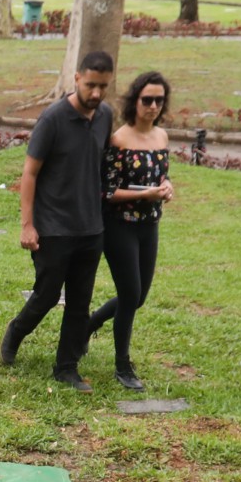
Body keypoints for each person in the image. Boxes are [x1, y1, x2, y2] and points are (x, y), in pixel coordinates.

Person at [0, 50, 115, 394]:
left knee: (80, 302)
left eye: (103, 86)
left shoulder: (106, 116)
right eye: (91, 84)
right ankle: (16, 332)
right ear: (77, 78)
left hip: (91, 228)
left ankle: (66, 367)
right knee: (47, 295)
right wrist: (27, 224)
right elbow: (30, 172)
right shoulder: (53, 119)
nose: (96, 93)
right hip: (53, 227)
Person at [87, 71, 173, 392]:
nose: (152, 106)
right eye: (146, 100)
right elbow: (106, 191)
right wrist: (143, 195)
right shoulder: (120, 139)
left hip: (149, 225)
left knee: (138, 297)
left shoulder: (162, 138)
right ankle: (123, 364)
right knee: (129, 294)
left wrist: (165, 188)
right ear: (134, 101)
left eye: (158, 101)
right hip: (119, 226)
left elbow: (161, 176)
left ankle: (88, 327)